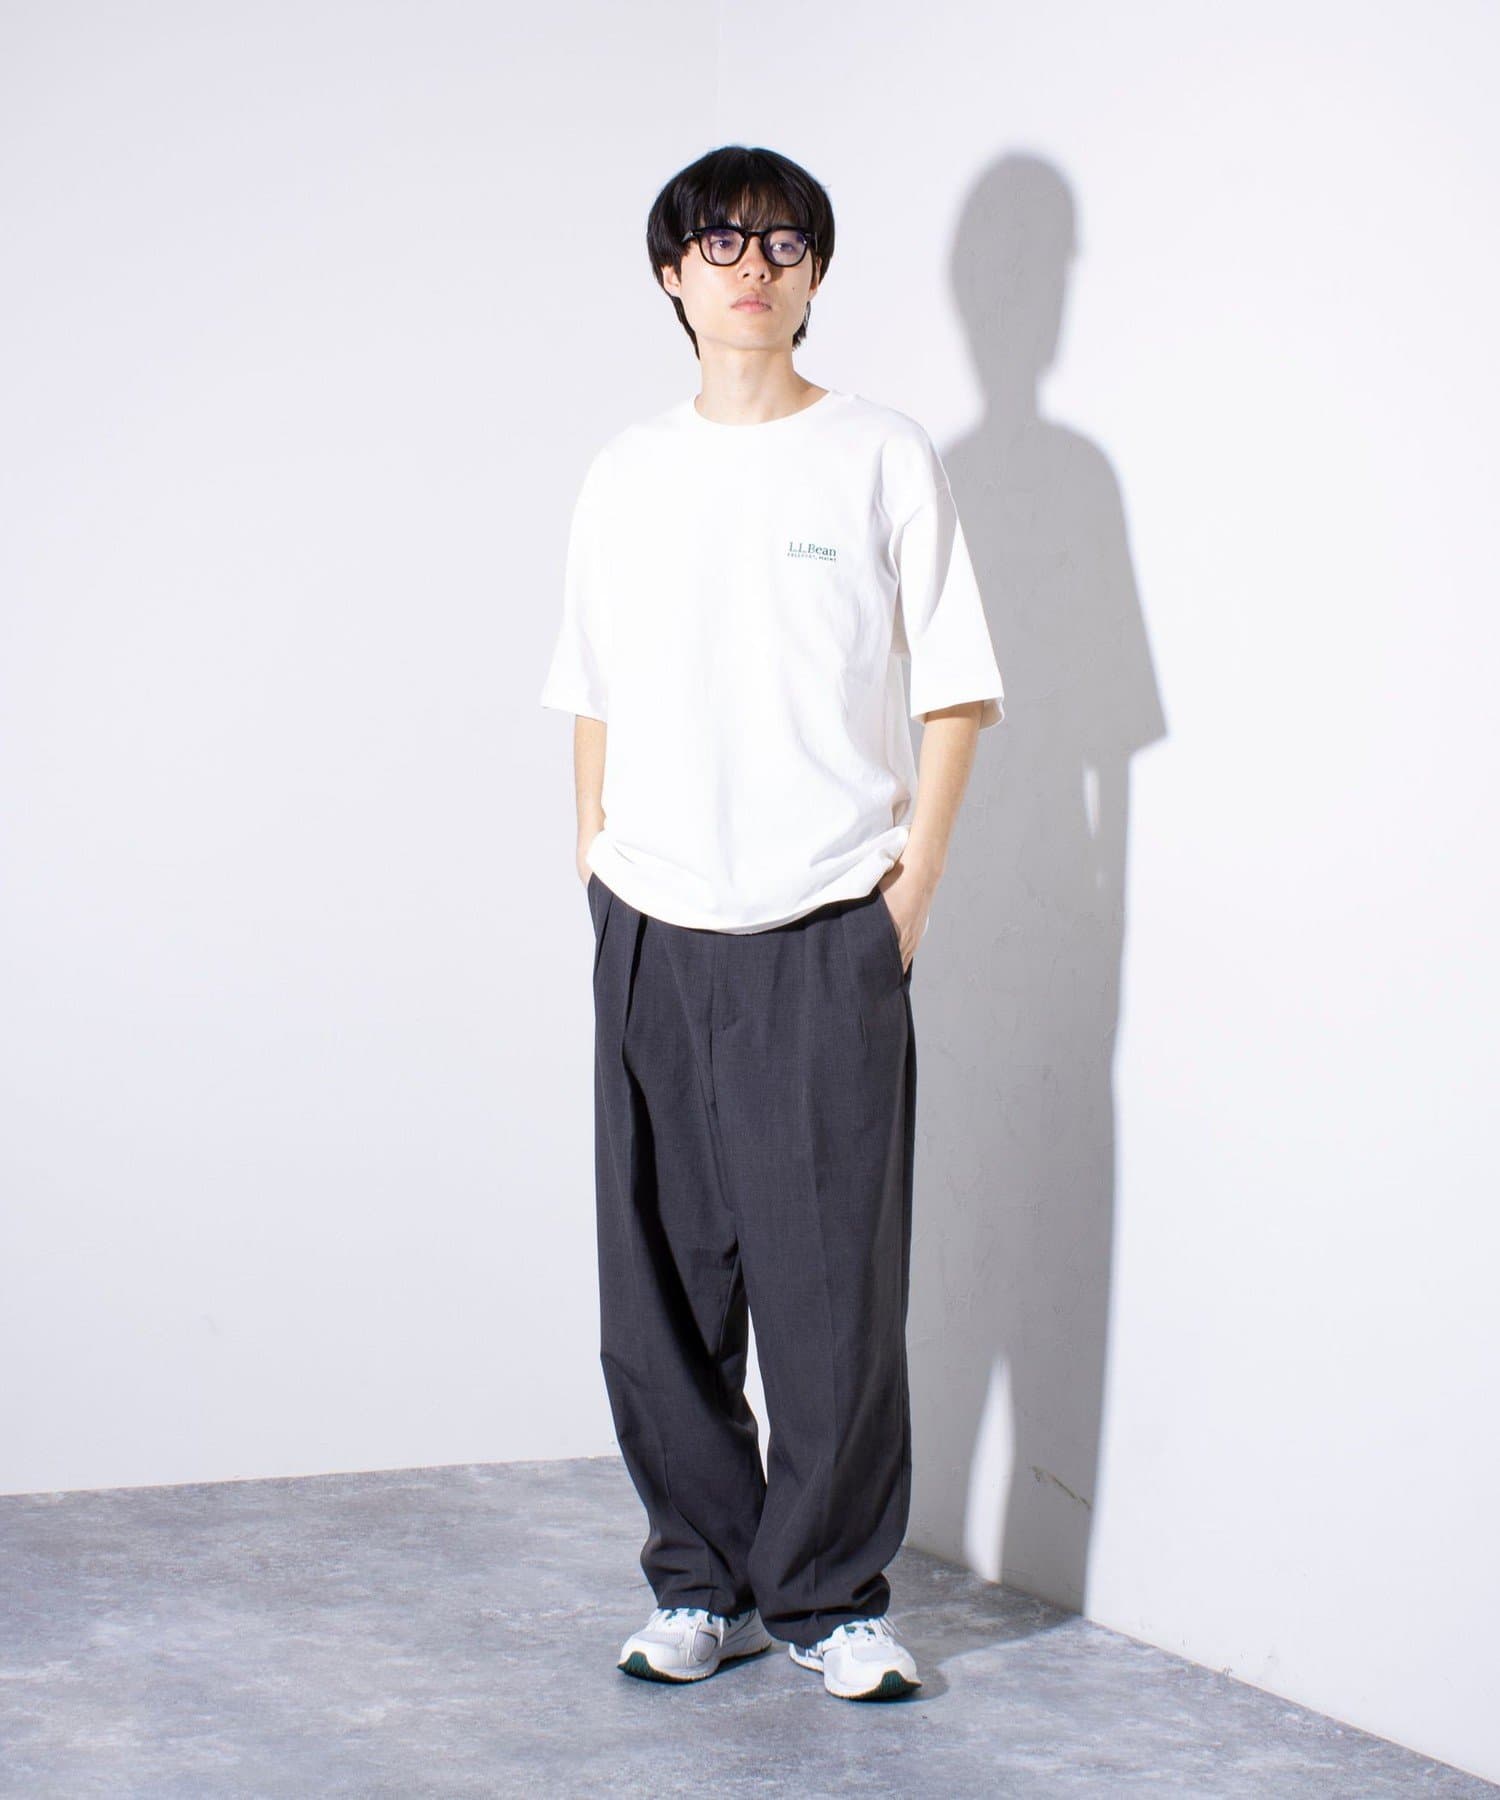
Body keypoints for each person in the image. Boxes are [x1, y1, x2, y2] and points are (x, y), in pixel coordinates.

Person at [539, 144, 1005, 1703]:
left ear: (816, 274)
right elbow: (591, 687)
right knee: (659, 1294)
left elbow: (955, 687)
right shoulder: (627, 471)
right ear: (672, 273)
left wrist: (906, 899)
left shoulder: (879, 455)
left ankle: (829, 1599)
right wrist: (595, 869)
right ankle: (703, 1584)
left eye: (784, 242)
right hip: (654, 922)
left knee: (833, 1295)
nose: (754, 266)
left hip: (826, 924)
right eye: (722, 242)